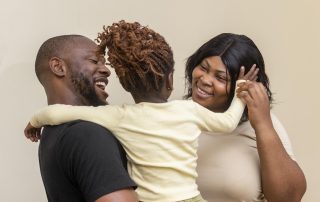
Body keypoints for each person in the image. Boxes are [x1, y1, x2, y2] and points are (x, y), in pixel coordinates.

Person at [25, 21, 257, 202]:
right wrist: (240, 92)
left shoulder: (111, 119)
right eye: (94, 61)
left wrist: (35, 121)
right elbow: (227, 123)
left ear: (126, 85)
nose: (104, 69)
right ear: (169, 80)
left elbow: (57, 113)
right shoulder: (188, 110)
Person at [184, 33, 307, 202]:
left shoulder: (261, 125)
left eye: (220, 77)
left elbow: (289, 198)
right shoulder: (177, 116)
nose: (205, 80)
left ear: (242, 85)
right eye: (203, 68)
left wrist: (262, 123)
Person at [30, 34, 138, 202]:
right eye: (94, 61)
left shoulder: (52, 133)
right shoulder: (86, 134)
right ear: (58, 67)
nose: (106, 70)